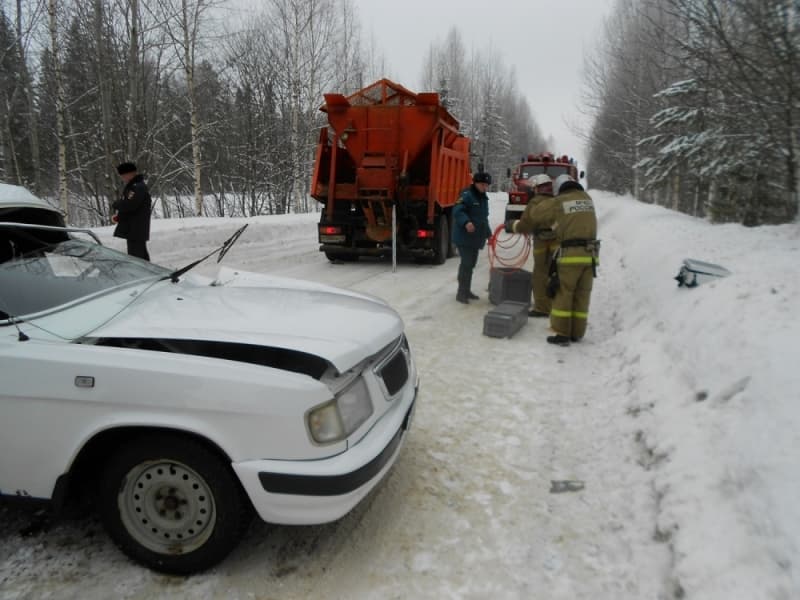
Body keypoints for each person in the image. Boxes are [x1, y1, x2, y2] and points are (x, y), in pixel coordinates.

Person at [505, 173, 598, 346]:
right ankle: (577, 333)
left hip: (570, 254)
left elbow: (535, 216)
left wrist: (515, 223)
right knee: (582, 295)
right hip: (590, 255)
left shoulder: (559, 201)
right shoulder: (587, 199)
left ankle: (562, 333)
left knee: (564, 291)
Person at [510, 173, 559, 318]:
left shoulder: (535, 203)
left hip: (542, 244)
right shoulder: (558, 202)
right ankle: (557, 304)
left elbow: (525, 225)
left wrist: (511, 225)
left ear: (537, 188)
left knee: (540, 274)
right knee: (556, 273)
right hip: (558, 243)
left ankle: (542, 308)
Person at [452, 171, 492, 304]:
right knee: (466, 264)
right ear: (475, 183)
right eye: (482, 185)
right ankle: (461, 293)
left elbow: (483, 219)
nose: (485, 187)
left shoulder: (483, 198)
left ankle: (467, 290)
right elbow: (458, 210)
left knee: (471, 264)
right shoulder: (467, 195)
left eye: (486, 185)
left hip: (475, 238)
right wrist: (466, 222)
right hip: (464, 237)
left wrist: (489, 234)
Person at [113, 162, 152, 261]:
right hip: (134, 228)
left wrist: (117, 204)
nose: (122, 178)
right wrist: (120, 217)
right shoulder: (134, 186)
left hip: (136, 228)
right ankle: (148, 270)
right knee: (140, 255)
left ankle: (142, 271)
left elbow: (130, 205)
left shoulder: (137, 187)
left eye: (123, 175)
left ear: (130, 174)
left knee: (136, 257)